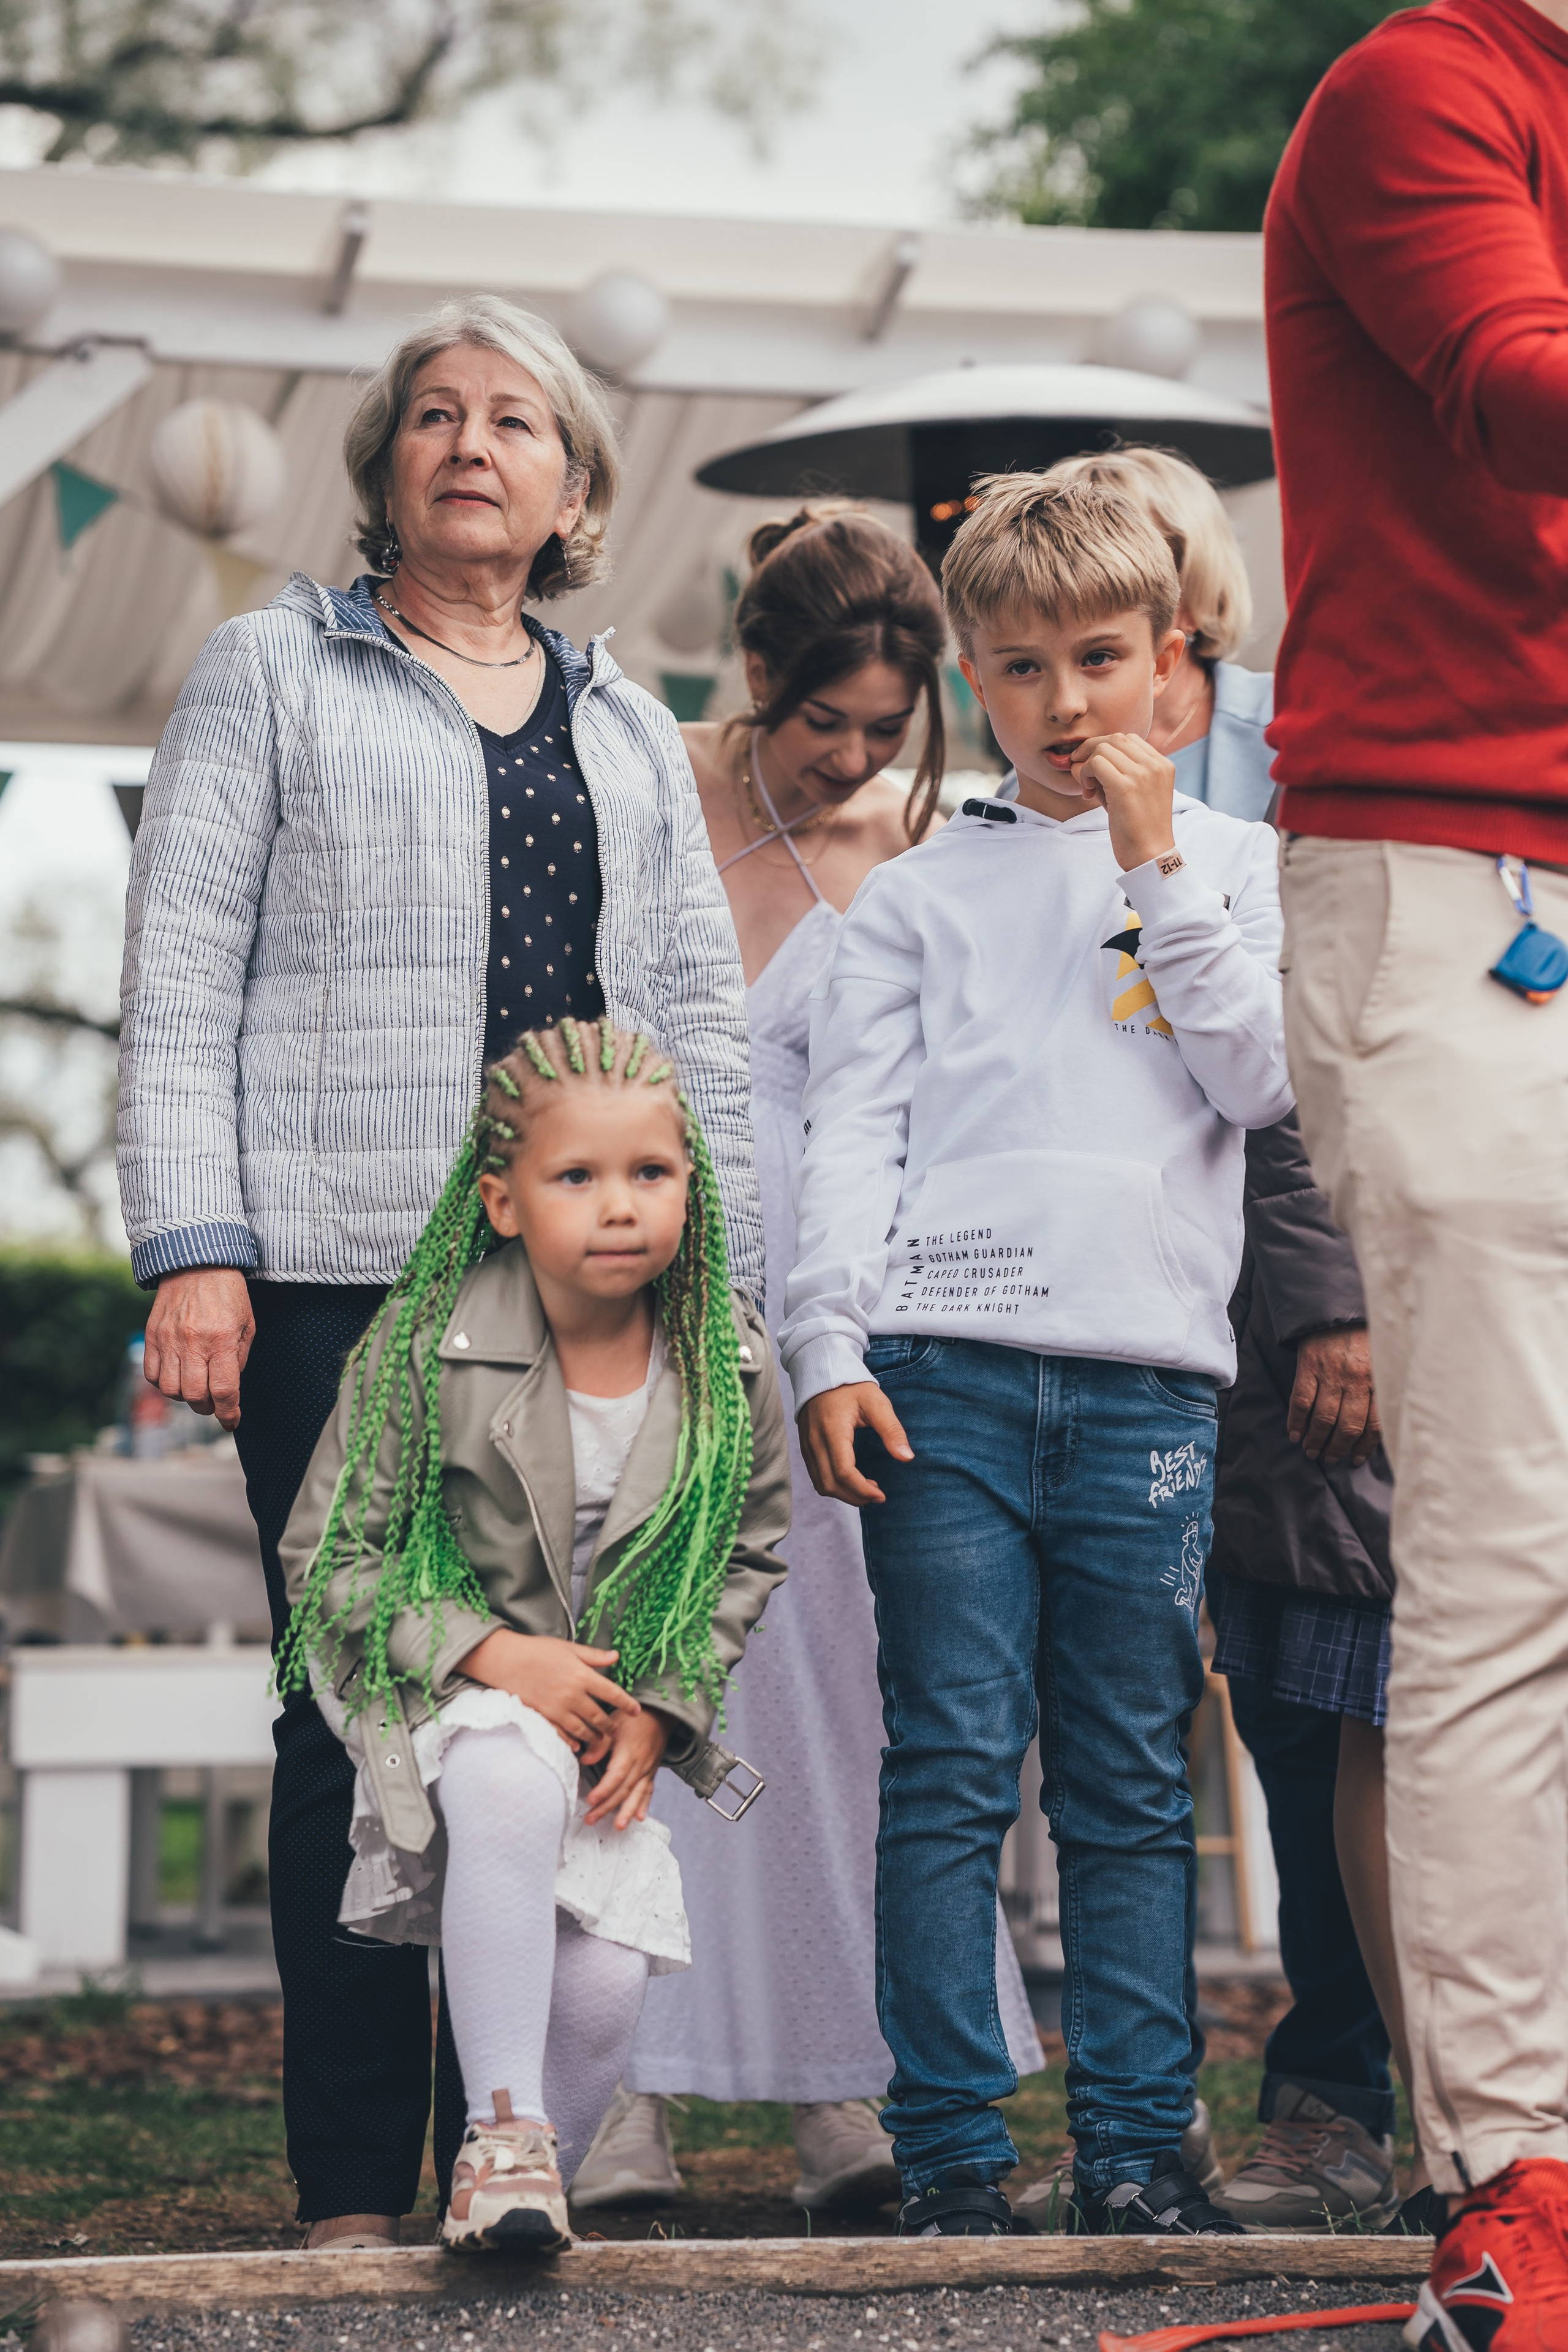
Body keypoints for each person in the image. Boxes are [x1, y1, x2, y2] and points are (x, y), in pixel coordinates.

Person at [116, 293, 763, 2247]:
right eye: (434, 417)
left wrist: (712, 1282)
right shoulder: (273, 671)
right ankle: (342, 2193)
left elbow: (698, 1033)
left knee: (559, 1703)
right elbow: (174, 978)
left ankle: (521, 2144)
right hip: (328, 1269)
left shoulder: (632, 726)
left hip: (584, 1289)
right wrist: (196, 1248)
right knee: (352, 1707)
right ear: (386, 466)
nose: (472, 444)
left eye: (517, 423)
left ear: (573, 485)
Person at [782, 472, 1291, 2237]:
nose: (1066, 704)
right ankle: (951, 2156)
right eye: (1019, 669)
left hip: (1147, 1380)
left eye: (1099, 659)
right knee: (948, 1764)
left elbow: (1257, 1079)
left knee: (1131, 1770)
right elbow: (854, 1129)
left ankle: (1143, 2148)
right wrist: (826, 1343)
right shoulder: (919, 898)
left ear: (1172, 660)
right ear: (972, 684)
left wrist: (1156, 865)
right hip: (944, 1379)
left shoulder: (1230, 868)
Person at [574, 505, 1042, 2220]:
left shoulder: (923, 841)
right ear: (752, 672)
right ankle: (617, 2086)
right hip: (635, 1302)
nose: (850, 760)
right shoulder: (642, 789)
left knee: (843, 1710)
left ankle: (847, 2082)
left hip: (838, 1329)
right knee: (631, 1692)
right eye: (820, 722)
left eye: (882, 728)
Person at [1267, 2, 1568, 2335]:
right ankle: (1520, 2173)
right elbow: (1517, 382)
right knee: (1515, 1561)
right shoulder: (1425, 84)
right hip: (1461, 884)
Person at [1035, 447, 1410, 2235]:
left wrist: (1332, 1293)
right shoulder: (1048, 784)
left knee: (1375, 1706)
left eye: (1131, 611)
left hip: (1327, 1305)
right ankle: (1332, 2100)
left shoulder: (1304, 752)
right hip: (1183, 1329)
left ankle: (1368, 2097)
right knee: (1282, 1711)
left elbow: (1318, 1052)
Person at [276, 1020, 789, 2252]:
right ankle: (503, 2133)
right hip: (433, 1676)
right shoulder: (425, 1342)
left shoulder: (728, 1363)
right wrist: (492, 1656)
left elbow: (745, 1555)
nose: (620, 1207)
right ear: (502, 1200)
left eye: (650, 1174)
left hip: (599, 1717)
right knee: (504, 1773)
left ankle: (505, 2206)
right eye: (578, 1178)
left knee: (607, 1980)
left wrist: (665, 1706)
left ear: (690, 1183)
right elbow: (328, 1560)